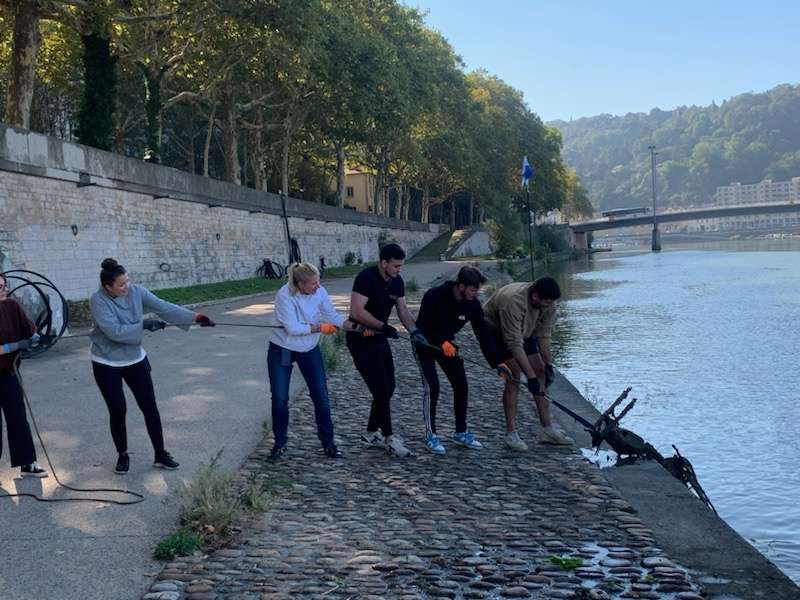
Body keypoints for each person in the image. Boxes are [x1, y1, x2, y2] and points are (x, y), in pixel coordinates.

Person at [89, 258, 215, 474]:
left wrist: (195, 317)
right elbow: (114, 332)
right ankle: (122, 455)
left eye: (127, 281)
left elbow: (163, 307)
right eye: (121, 284)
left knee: (149, 406)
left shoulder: (136, 292)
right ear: (107, 287)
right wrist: (144, 325)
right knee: (118, 409)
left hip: (135, 359)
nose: (126, 287)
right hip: (106, 361)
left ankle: (160, 454)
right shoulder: (98, 300)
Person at [346, 243, 427, 457]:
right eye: (396, 266)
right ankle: (389, 439)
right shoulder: (366, 278)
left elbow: (403, 310)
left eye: (401, 266)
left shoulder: (397, 282)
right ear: (384, 263)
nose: (399, 269)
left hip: (379, 338)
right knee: (380, 390)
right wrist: (382, 326)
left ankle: (370, 433)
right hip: (360, 338)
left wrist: (414, 331)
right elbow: (356, 311)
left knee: (389, 387)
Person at [268, 262, 354, 460]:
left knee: (321, 396)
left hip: (309, 349)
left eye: (318, 281)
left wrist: (352, 325)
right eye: (313, 283)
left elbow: (331, 314)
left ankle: (328, 443)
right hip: (283, 348)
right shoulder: (284, 295)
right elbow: (292, 328)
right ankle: (280, 444)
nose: (318, 286)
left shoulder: (320, 291)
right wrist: (320, 328)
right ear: (300, 284)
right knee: (280, 397)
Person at [413, 266, 499, 454]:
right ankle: (430, 435)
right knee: (432, 387)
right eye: (473, 290)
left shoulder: (472, 304)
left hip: (447, 346)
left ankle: (461, 432)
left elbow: (483, 334)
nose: (476, 294)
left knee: (461, 385)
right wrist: (441, 343)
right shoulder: (434, 295)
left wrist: (497, 363)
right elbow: (424, 326)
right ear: (461, 286)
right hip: (424, 343)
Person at [482, 277, 573, 450]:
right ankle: (511, 433)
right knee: (514, 374)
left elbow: (544, 336)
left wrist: (548, 365)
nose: (549, 306)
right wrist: (530, 378)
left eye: (551, 302)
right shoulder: (512, 302)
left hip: (524, 329)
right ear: (535, 296)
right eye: (547, 302)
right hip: (494, 329)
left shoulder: (548, 304)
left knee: (540, 371)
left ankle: (547, 429)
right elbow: (514, 344)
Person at [0, 274, 48, 477]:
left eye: (4, 285)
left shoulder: (11, 306)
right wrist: (15, 345)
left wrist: (37, 337)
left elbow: (29, 330)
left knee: (18, 417)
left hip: (8, 372)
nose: (4, 289)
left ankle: (27, 462)